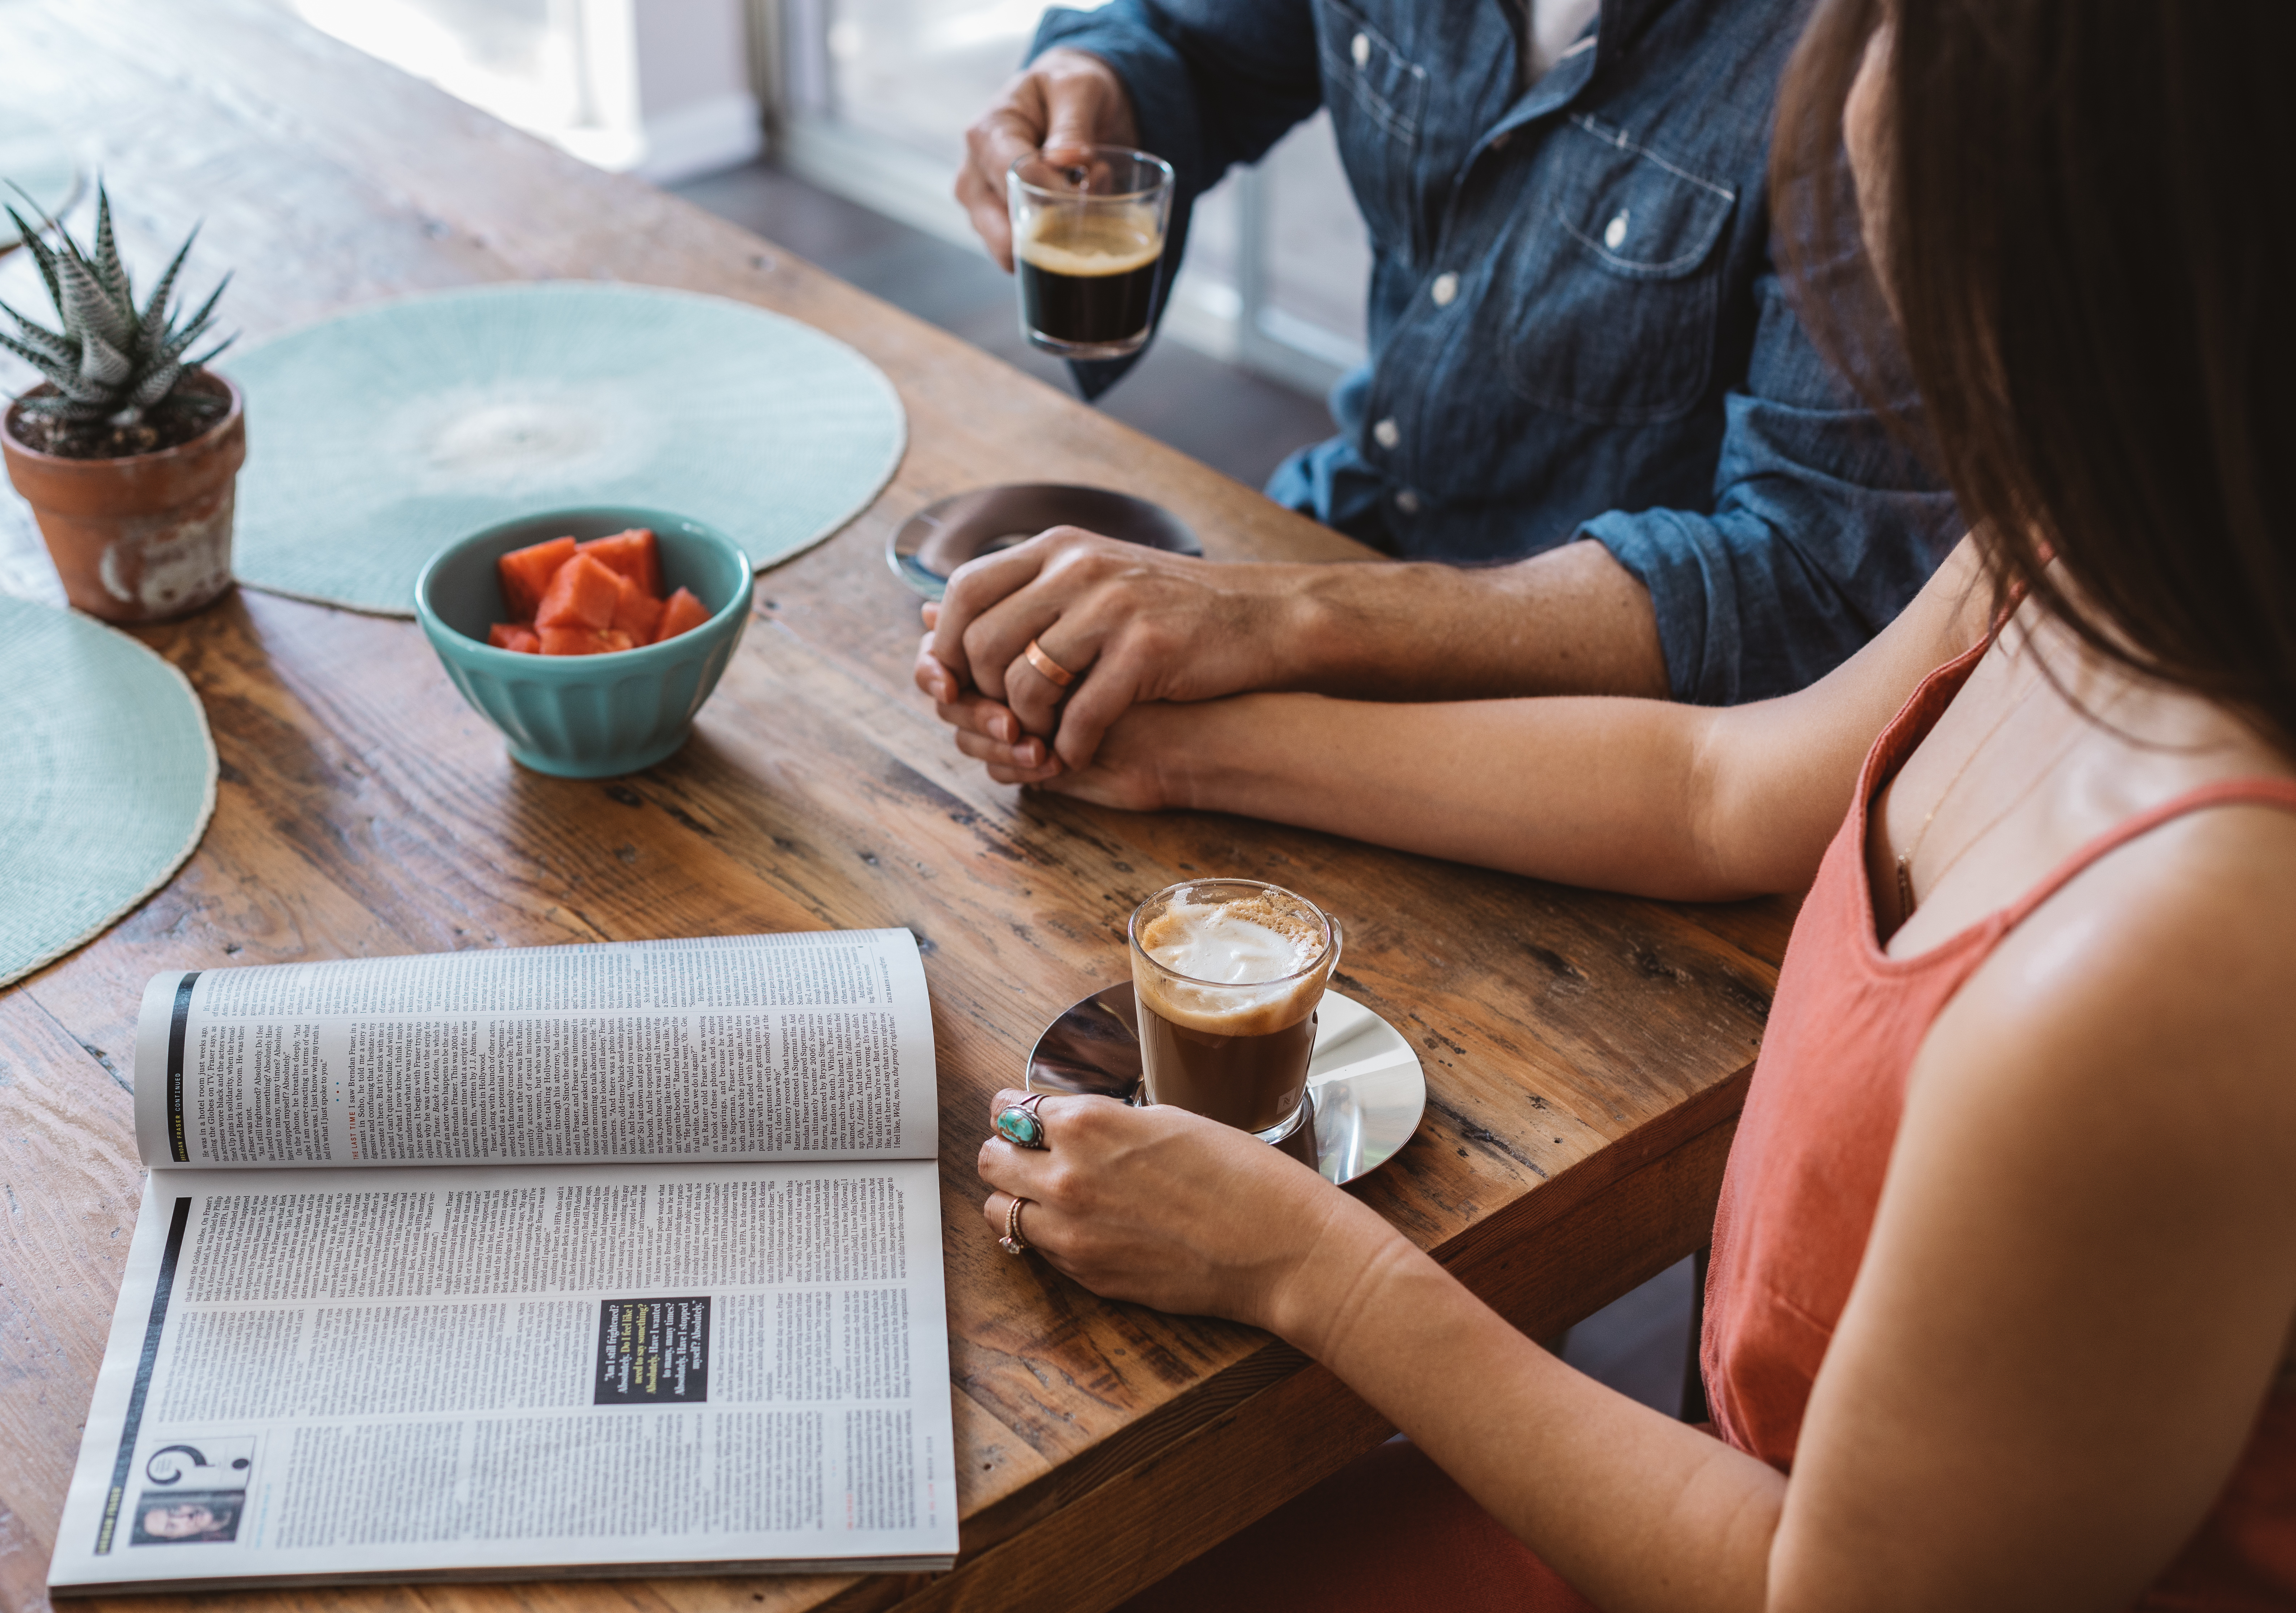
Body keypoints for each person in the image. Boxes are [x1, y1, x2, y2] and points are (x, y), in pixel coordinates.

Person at [974, 1, 2296, 1606]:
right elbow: (1716, 786)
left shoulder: (2183, 954)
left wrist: (1295, 1259)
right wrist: (1191, 748)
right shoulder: (2066, 549)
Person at [923, 0, 1960, 778]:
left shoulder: (1888, 57)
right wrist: (1100, 72)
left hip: (1623, 755)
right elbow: (1195, 39)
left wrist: (1280, 625)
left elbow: (1819, 582)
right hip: (1340, 539)